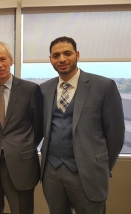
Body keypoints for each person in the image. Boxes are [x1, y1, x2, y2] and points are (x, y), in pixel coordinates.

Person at [40, 36, 125, 214]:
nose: (62, 59)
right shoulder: (44, 89)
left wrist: (101, 166)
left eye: (67, 53)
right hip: (52, 173)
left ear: (77, 55)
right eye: (56, 55)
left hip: (89, 172)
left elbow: (116, 133)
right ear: (50, 60)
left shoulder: (103, 86)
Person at [0, 41, 43, 214]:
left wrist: (22, 145)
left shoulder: (30, 89)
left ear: (11, 61)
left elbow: (39, 126)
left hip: (21, 163)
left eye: (2, 59)